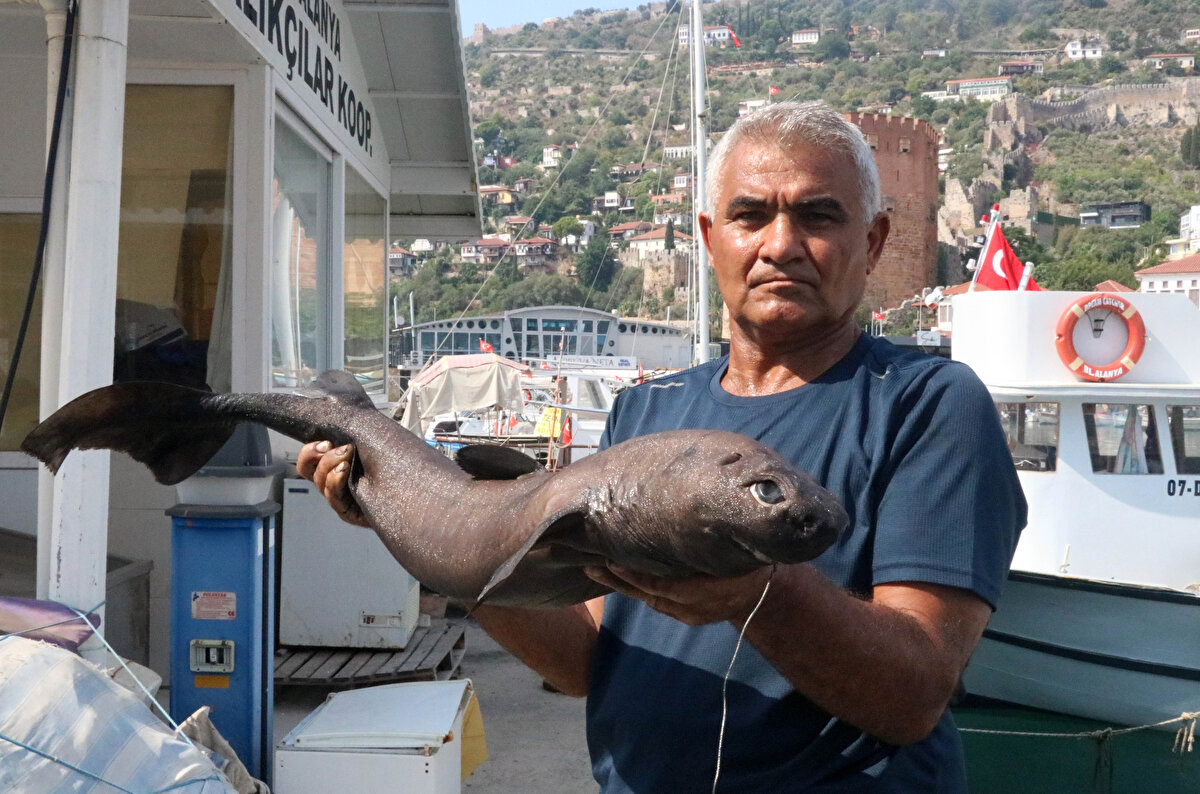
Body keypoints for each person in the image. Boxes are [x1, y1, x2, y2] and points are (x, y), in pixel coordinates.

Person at [297, 101, 1026, 792]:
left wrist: (755, 594)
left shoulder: (927, 405)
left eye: (818, 215)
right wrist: (415, 531)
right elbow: (583, 659)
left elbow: (915, 693)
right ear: (710, 238)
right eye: (750, 216)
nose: (780, 244)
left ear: (872, 241)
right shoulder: (647, 411)